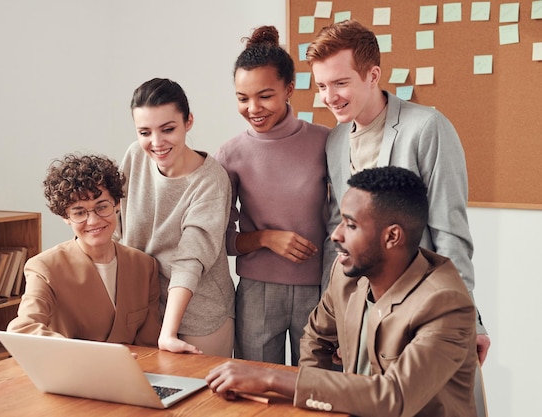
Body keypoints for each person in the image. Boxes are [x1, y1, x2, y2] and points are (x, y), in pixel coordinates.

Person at [206, 166, 478, 417]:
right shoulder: (347, 274)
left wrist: (270, 378)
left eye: (350, 225)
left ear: (392, 236)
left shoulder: (445, 303)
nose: (336, 235)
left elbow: (394, 397)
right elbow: (316, 338)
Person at [306, 19, 490, 364]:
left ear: (373, 75)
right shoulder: (335, 140)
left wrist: (468, 319)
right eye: (321, 86)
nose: (329, 97)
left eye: (341, 83)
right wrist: (339, 321)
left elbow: (451, 232)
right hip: (362, 309)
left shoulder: (426, 128)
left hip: (422, 305)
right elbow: (340, 237)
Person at [214, 26, 329, 366]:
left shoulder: (327, 142)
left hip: (321, 291)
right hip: (255, 293)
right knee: (258, 398)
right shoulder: (230, 154)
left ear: (289, 88)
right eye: (242, 98)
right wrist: (265, 238)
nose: (253, 108)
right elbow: (222, 239)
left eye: (265, 95)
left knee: (319, 390)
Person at [118, 78, 235, 357]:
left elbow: (190, 259)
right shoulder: (135, 157)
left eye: (168, 129)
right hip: (144, 306)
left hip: (200, 313)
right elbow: (115, 223)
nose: (156, 143)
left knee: (203, 399)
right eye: (144, 132)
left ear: (188, 122)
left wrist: (168, 332)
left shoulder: (211, 180)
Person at [8, 154, 161, 346]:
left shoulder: (145, 266)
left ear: (117, 205)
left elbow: (150, 341)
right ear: (65, 216)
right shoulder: (44, 267)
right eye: (79, 212)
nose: (94, 221)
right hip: (73, 372)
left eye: (102, 207)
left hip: (137, 371)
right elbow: (24, 329)